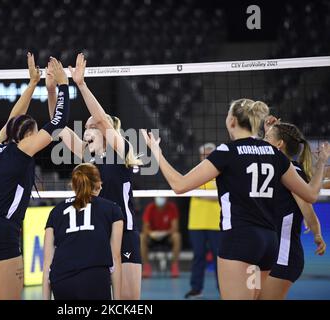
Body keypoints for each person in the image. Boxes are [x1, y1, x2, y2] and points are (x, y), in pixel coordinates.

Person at [142, 98, 330, 300]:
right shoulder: (275, 153)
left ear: (232, 121)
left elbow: (179, 185)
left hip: (239, 240)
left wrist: (157, 152)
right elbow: (311, 194)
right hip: (268, 243)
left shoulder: (226, 152)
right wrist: (321, 163)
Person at [0, 54, 70, 300]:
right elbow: (58, 123)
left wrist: (33, 84)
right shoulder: (22, 149)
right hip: (1, 233)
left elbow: (11, 121)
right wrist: (64, 85)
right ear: (28, 136)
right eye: (35, 133)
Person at [53, 53, 143, 299]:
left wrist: (80, 84)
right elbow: (58, 126)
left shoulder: (122, 151)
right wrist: (56, 88)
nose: (87, 130)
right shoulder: (87, 157)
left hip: (124, 234)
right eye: (86, 127)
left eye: (92, 127)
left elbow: (103, 120)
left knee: (128, 301)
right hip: (96, 234)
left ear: (107, 132)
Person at [260, 121, 326, 299]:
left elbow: (307, 207)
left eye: (266, 138)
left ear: (279, 144)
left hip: (285, 255)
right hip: (269, 252)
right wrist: (269, 132)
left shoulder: (291, 171)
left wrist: (317, 234)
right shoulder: (270, 170)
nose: (261, 142)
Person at [42, 163, 124, 300]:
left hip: (62, 280)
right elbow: (115, 258)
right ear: (98, 184)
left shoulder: (55, 212)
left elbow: (47, 264)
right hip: (94, 279)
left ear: (73, 185)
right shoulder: (113, 209)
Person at [185, 143, 220, 299]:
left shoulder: (221, 171)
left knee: (220, 258)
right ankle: (196, 288)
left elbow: (201, 194)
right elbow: (192, 191)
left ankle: (224, 288)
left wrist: (205, 194)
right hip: (197, 223)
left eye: (210, 154)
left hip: (217, 223)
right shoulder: (196, 172)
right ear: (200, 156)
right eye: (204, 154)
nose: (207, 157)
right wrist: (213, 195)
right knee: (198, 256)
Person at [140, 197, 181, 278]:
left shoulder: (171, 207)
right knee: (142, 237)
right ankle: (146, 267)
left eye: (163, 197)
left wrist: (164, 233)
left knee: (177, 236)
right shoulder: (150, 207)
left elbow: (175, 227)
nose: (160, 199)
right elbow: (145, 228)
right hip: (153, 237)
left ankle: (174, 267)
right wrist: (152, 233)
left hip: (167, 236)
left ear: (166, 198)